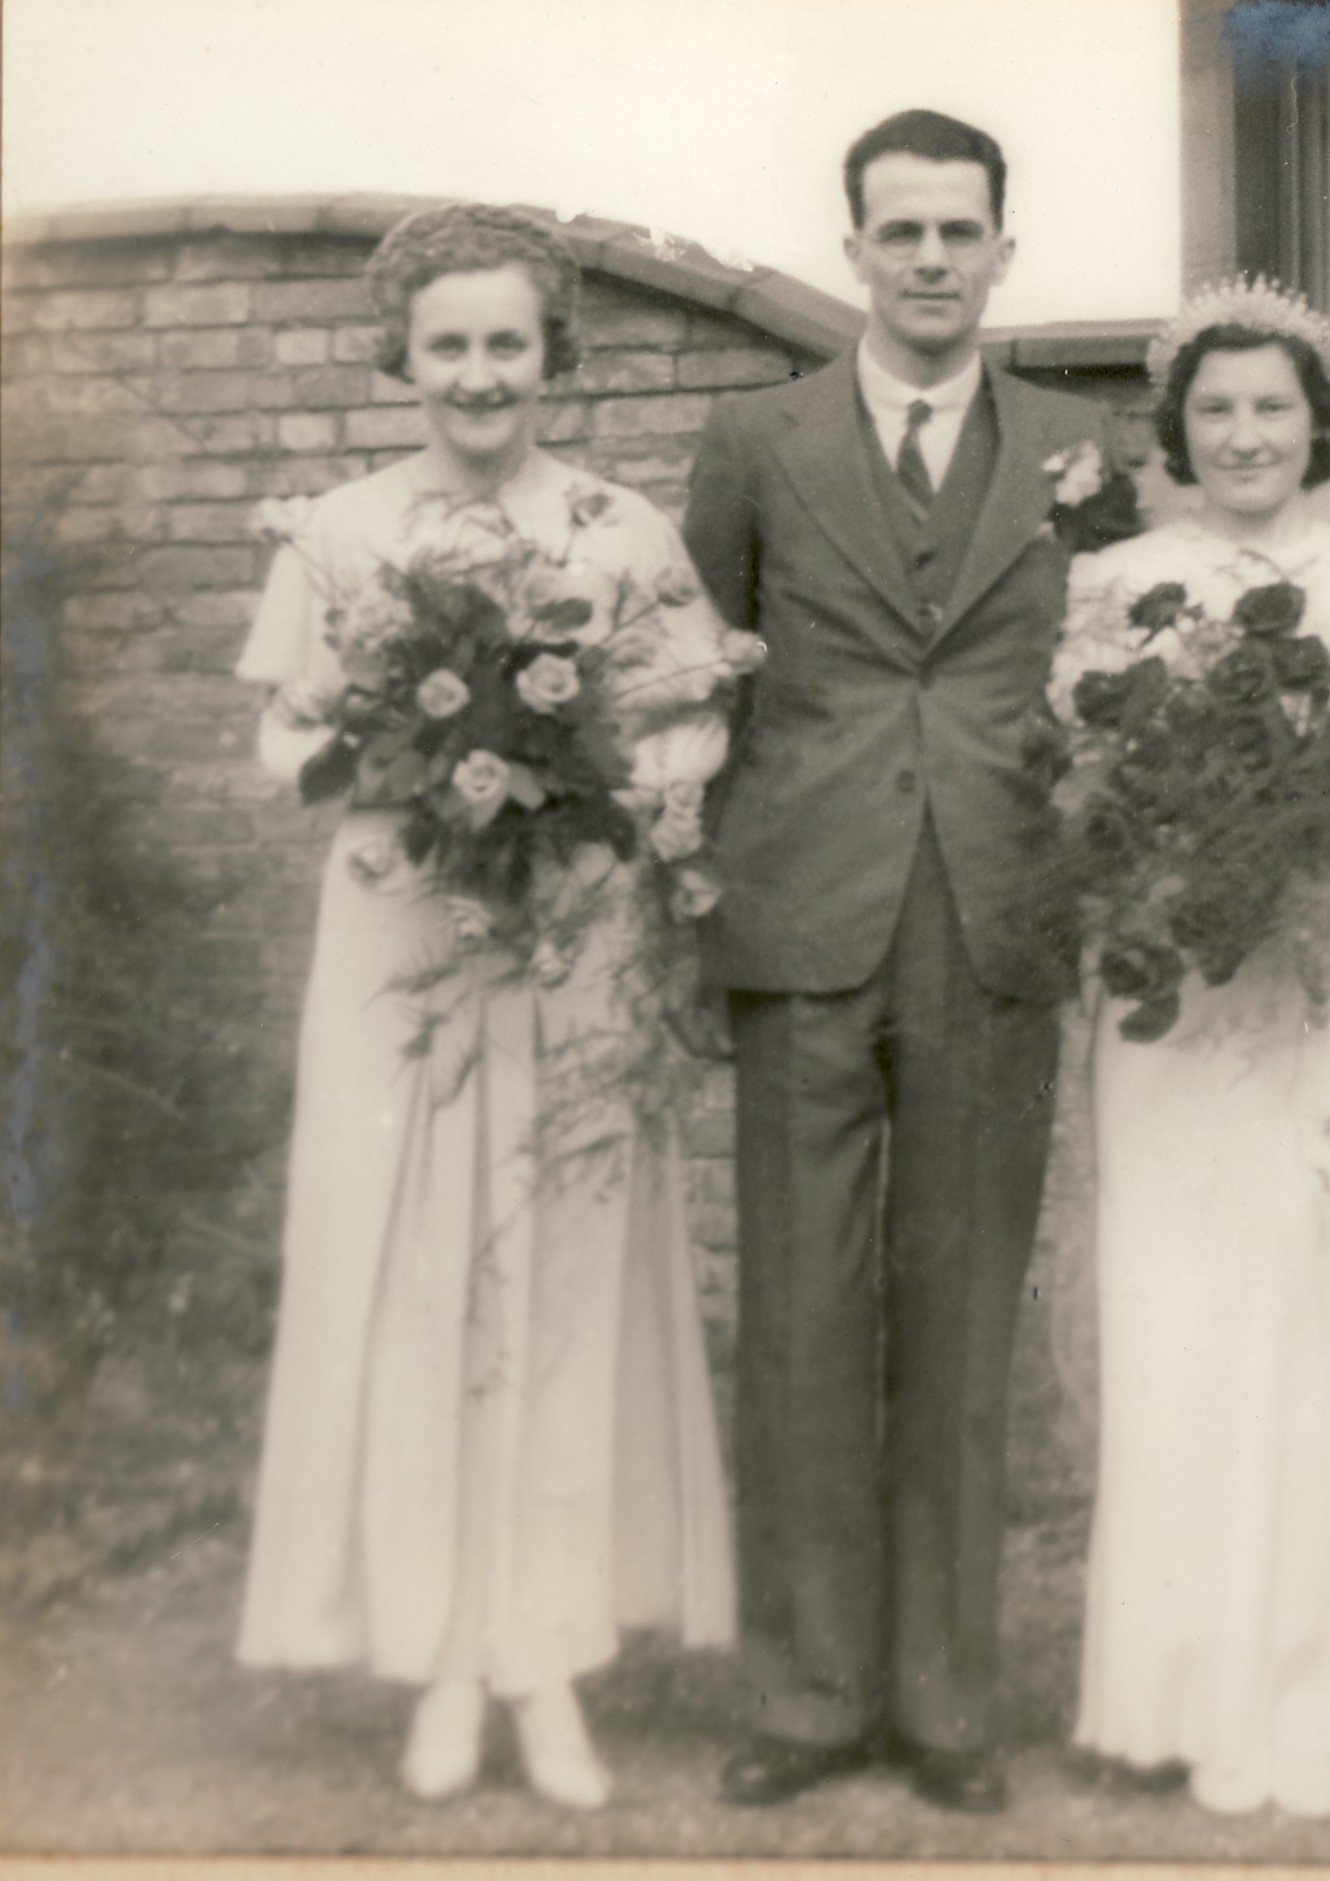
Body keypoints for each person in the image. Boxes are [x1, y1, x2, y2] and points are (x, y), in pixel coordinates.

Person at [234, 204, 737, 1811]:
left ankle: (546, 1659)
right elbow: (280, 741)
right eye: (446, 343)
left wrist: (620, 786)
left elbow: (689, 723)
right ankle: (444, 1657)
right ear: (404, 354)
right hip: (405, 945)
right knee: (416, 1281)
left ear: (553, 352)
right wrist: (391, 772)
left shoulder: (616, 528)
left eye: (506, 341)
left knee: (566, 1282)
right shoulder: (340, 535)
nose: (477, 372)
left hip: (576, 937)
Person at [680, 110, 1115, 1816]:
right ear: (853, 247)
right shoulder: (755, 436)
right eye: (901, 231)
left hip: (995, 919)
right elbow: (692, 672)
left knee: (957, 1315)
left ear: (1006, 248)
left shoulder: (1083, 448)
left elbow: (1122, 675)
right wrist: (692, 899)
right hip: (802, 914)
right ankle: (805, 1692)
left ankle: (942, 1697)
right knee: (798, 1310)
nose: (931, 260)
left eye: (961, 231)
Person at [1058, 283, 1330, 1820]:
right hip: (1180, 992)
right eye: (1213, 409)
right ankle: (1182, 1693)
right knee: (1187, 1321)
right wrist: (1175, 825)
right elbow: (1076, 794)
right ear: (1177, 431)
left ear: (1317, 421)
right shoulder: (1112, 586)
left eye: (1272, 406)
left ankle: (1317, 1698)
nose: (1243, 435)